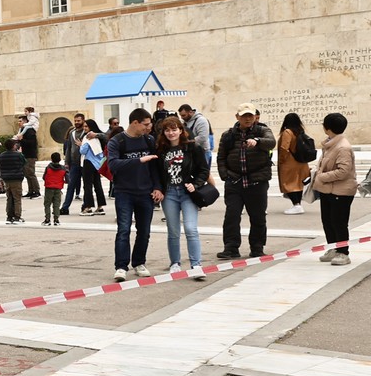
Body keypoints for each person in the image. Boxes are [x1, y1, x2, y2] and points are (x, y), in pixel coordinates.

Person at [106, 108, 160, 282]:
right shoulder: (117, 141)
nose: (148, 127)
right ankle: (121, 266)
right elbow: (113, 164)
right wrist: (138, 161)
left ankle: (139, 262)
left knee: (144, 231)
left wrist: (158, 187)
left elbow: (155, 167)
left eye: (149, 123)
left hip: (145, 192)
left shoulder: (149, 140)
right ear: (135, 123)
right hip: (124, 192)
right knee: (123, 230)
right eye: (145, 124)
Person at [216, 103, 275, 260]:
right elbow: (221, 157)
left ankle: (257, 247)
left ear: (255, 116)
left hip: (256, 182)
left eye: (250, 115)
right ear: (237, 117)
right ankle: (231, 247)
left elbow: (271, 142)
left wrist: (257, 140)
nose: (248, 119)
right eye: (244, 116)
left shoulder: (263, 130)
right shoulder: (228, 135)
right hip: (234, 182)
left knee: (258, 217)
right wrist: (225, 176)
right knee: (232, 216)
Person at [155, 116, 208, 280]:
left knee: (191, 229)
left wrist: (196, 184)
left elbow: (203, 170)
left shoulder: (192, 148)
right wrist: (159, 189)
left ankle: (196, 265)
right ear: (163, 132)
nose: (171, 133)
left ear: (181, 130)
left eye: (174, 129)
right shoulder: (161, 151)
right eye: (167, 130)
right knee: (173, 231)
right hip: (169, 193)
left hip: (187, 193)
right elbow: (156, 173)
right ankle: (175, 263)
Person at [314, 113, 355, 266]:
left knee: (339, 222)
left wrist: (321, 177)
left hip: (341, 191)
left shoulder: (343, 147)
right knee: (328, 221)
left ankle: (343, 252)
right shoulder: (330, 144)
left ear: (327, 128)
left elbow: (343, 171)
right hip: (327, 190)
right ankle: (332, 247)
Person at [276, 112, 311, 215]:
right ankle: (298, 204)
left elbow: (284, 148)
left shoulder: (287, 132)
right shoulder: (300, 131)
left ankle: (296, 205)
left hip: (289, 163)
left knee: (288, 184)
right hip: (301, 162)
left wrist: (281, 160)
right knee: (298, 185)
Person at [59, 112, 87, 215]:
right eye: (75, 121)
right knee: (71, 185)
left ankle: (85, 206)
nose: (76, 123)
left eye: (79, 121)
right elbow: (69, 148)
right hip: (74, 163)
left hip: (85, 163)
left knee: (86, 186)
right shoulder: (72, 133)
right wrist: (67, 161)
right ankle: (65, 207)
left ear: (83, 120)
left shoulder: (87, 133)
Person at [78, 119, 108, 215]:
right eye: (84, 126)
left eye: (86, 126)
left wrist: (80, 145)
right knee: (97, 185)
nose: (85, 128)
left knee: (87, 185)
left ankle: (88, 207)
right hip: (97, 163)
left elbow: (83, 151)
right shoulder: (97, 137)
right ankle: (100, 206)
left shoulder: (88, 137)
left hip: (88, 162)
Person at [0, 138, 27, 223]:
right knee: (17, 198)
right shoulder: (18, 155)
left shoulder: (2, 155)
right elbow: (24, 163)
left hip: (6, 178)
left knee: (9, 197)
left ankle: (9, 216)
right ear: (13, 146)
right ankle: (17, 215)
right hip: (16, 178)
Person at [20, 112, 40, 198]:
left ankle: (36, 190)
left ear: (25, 121)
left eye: (20, 121)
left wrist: (21, 140)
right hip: (25, 154)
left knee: (31, 173)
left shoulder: (30, 130)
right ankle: (30, 190)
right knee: (27, 173)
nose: (19, 123)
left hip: (30, 155)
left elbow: (32, 143)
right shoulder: (22, 130)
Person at [42, 151, 66, 225]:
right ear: (60, 159)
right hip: (58, 188)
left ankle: (47, 219)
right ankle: (56, 219)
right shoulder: (63, 168)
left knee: (47, 204)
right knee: (56, 204)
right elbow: (67, 179)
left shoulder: (48, 167)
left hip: (49, 187)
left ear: (51, 159)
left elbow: (44, 177)